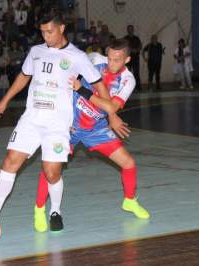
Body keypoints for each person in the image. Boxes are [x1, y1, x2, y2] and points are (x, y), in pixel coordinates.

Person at [0, 9, 115, 233]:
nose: (46, 37)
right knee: (10, 162)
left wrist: (111, 113)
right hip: (31, 119)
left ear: (62, 28)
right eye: (42, 32)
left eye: (50, 32)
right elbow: (24, 76)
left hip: (57, 124)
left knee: (51, 172)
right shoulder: (35, 51)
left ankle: (55, 211)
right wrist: (4, 100)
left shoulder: (78, 57)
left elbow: (99, 84)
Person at [33, 39, 149, 232]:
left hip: (96, 128)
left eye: (117, 60)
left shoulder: (128, 80)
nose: (111, 63)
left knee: (128, 163)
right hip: (69, 123)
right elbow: (67, 75)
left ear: (127, 59)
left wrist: (104, 108)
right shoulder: (94, 59)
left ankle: (129, 201)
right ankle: (39, 209)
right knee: (51, 167)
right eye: (109, 58)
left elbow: (110, 106)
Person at [124, 25, 142, 91]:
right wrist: (131, 50)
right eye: (129, 29)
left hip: (135, 58)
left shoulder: (136, 38)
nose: (130, 30)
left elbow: (140, 46)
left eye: (131, 29)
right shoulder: (125, 38)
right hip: (128, 59)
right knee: (127, 73)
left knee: (136, 72)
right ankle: (127, 88)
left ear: (133, 30)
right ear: (127, 30)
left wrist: (137, 50)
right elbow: (124, 47)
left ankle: (138, 87)